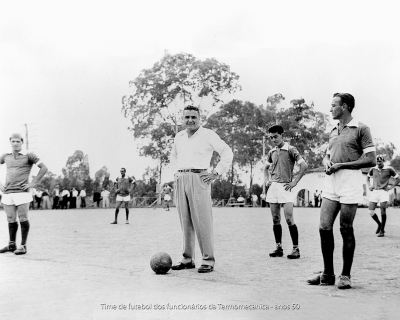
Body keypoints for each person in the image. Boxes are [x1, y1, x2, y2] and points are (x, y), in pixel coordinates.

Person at [307, 93, 376, 289]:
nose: (330, 109)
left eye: (333, 106)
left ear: (344, 107)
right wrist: (327, 162)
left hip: (350, 180)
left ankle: (345, 275)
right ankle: (328, 273)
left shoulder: (361, 128)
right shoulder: (333, 130)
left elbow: (370, 159)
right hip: (332, 181)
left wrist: (342, 165)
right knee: (324, 227)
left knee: (346, 228)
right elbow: (327, 156)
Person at [170, 105, 233, 273]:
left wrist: (216, 172)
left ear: (200, 118)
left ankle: (208, 260)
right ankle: (187, 259)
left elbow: (227, 152)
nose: (190, 120)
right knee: (185, 221)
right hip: (181, 179)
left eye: (193, 117)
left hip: (200, 178)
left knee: (202, 221)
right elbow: (173, 156)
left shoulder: (208, 134)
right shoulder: (179, 136)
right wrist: (175, 173)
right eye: (187, 117)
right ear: (182, 119)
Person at [264, 125, 308, 260]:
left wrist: (295, 182)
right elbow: (265, 168)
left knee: (289, 218)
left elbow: (304, 166)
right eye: (271, 137)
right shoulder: (272, 152)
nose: (273, 139)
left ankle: (296, 249)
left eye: (275, 136)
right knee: (275, 219)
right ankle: (279, 247)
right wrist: (267, 180)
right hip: (274, 188)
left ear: (282, 135)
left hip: (286, 187)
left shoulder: (290, 149)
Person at [0, 133, 48, 255]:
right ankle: (11, 244)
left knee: (23, 218)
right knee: (10, 218)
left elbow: (44, 168)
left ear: (22, 142)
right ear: (10, 142)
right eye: (13, 141)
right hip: (8, 192)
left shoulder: (29, 155)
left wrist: (33, 183)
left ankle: (23, 246)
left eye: (18, 141)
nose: (15, 143)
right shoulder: (5, 155)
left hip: (22, 192)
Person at [366, 155, 400, 237]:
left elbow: (398, 178)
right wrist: (369, 186)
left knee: (383, 211)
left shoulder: (389, 169)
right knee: (371, 212)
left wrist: (391, 187)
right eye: (377, 161)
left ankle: (382, 231)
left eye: (380, 161)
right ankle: (379, 224)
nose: (378, 163)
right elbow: (367, 178)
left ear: (383, 161)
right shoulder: (373, 169)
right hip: (374, 191)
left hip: (383, 192)